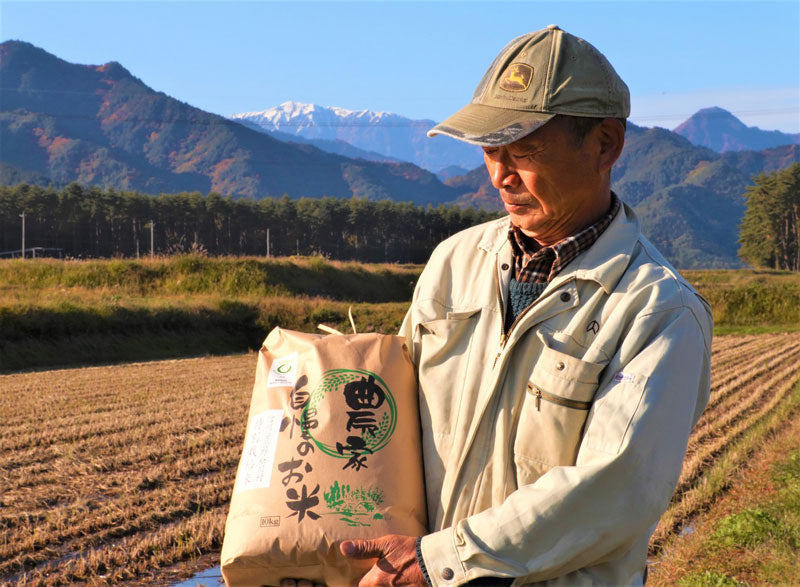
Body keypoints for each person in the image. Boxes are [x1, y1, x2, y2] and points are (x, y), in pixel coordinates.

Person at [287, 24, 713, 586]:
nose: (499, 175)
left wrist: (443, 560)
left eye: (525, 152)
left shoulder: (656, 309)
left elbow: (614, 488)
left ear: (604, 145)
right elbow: (392, 423)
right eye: (491, 150)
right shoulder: (453, 263)